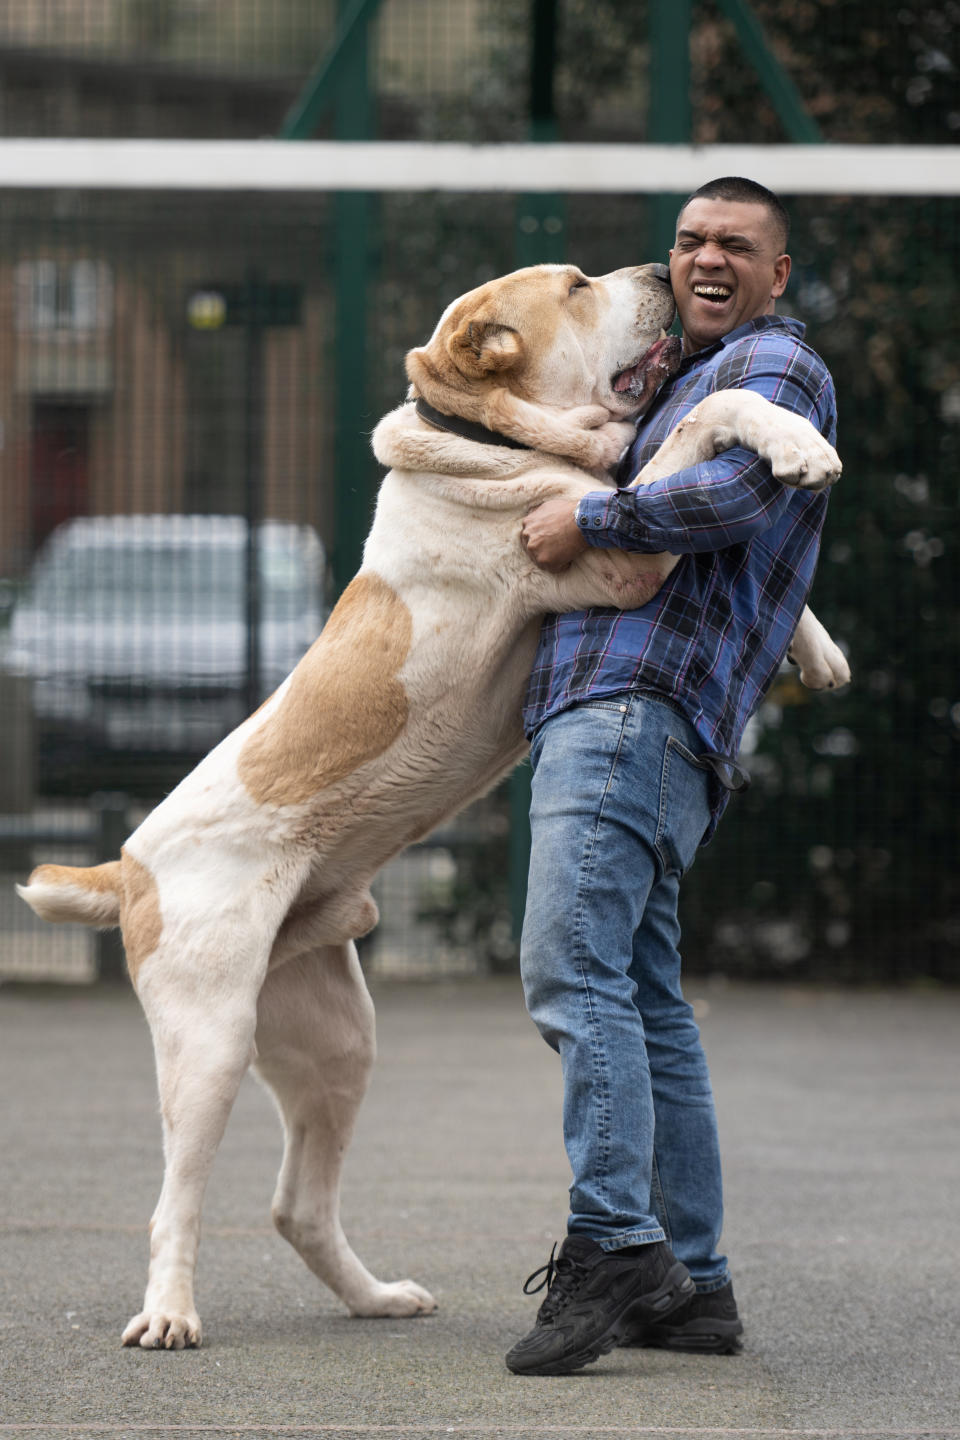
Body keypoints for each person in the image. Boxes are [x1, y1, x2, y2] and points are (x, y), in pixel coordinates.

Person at [504, 176, 838, 1377]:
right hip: (644, 725)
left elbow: (735, 494)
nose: (706, 258)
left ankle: (614, 1246)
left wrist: (589, 522)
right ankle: (693, 1286)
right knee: (643, 1000)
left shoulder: (775, 368)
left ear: (776, 273)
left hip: (632, 709)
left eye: (737, 245)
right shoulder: (679, 380)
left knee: (569, 969)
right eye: (691, 239)